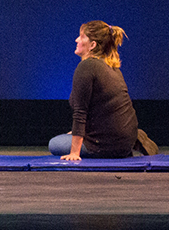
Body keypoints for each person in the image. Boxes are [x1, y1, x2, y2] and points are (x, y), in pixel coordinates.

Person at [49, 21, 155, 160]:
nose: (76, 40)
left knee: (54, 143)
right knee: (69, 135)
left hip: (104, 145)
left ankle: (113, 143)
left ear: (92, 45)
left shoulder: (87, 66)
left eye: (81, 37)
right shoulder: (111, 66)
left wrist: (74, 152)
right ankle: (131, 137)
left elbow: (80, 112)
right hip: (125, 141)